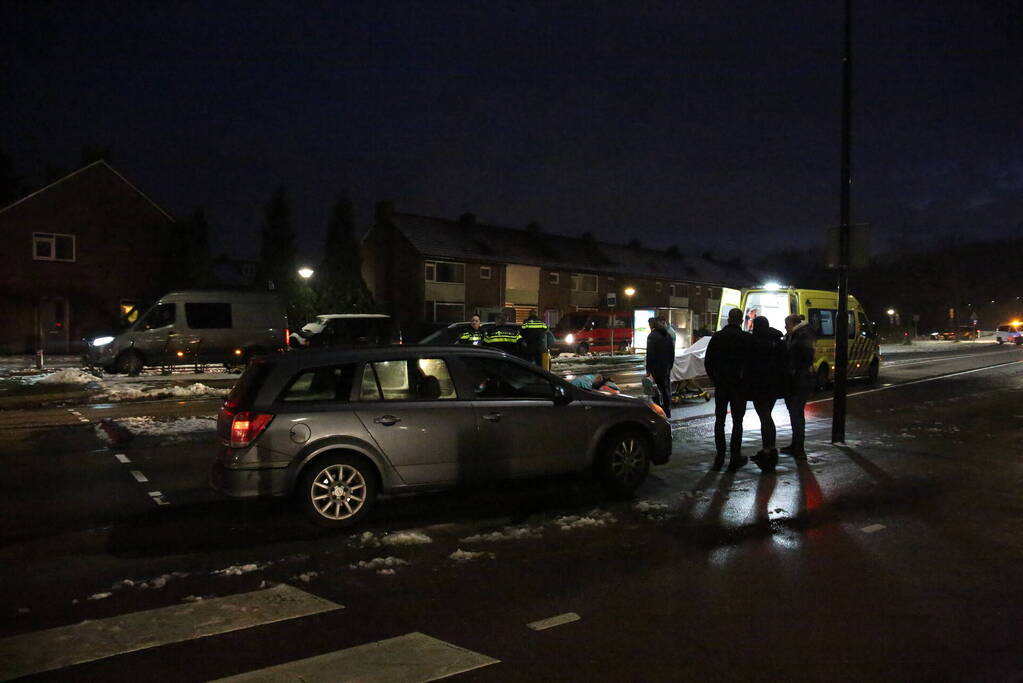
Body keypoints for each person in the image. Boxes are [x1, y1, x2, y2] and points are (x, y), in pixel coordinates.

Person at [705, 307, 754, 471]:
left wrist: (715, 379)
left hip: (722, 384)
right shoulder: (746, 338)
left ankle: (719, 456)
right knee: (737, 422)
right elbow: (751, 364)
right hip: (739, 386)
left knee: (720, 420)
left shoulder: (717, 337)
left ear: (728, 319)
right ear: (741, 321)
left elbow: (708, 362)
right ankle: (735, 456)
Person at [747, 316, 788, 473]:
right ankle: (769, 448)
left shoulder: (755, 341)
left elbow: (750, 363)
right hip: (773, 385)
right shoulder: (778, 341)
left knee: (764, 416)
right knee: (766, 415)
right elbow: (784, 362)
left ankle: (768, 450)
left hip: (759, 385)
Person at [782, 313, 816, 461]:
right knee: (794, 413)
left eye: (786, 324)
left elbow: (803, 355)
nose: (785, 327)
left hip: (800, 379)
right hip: (794, 379)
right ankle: (795, 444)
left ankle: (799, 448)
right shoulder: (795, 335)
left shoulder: (802, 336)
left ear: (793, 323)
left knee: (796, 413)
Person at [645, 317, 675, 418]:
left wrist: (648, 369)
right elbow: (672, 352)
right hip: (666, 366)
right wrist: (670, 365)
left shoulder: (652, 336)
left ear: (652, 325)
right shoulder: (668, 335)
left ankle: (658, 410)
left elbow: (650, 354)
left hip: (656, 367)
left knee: (655, 389)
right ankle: (667, 410)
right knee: (665, 388)